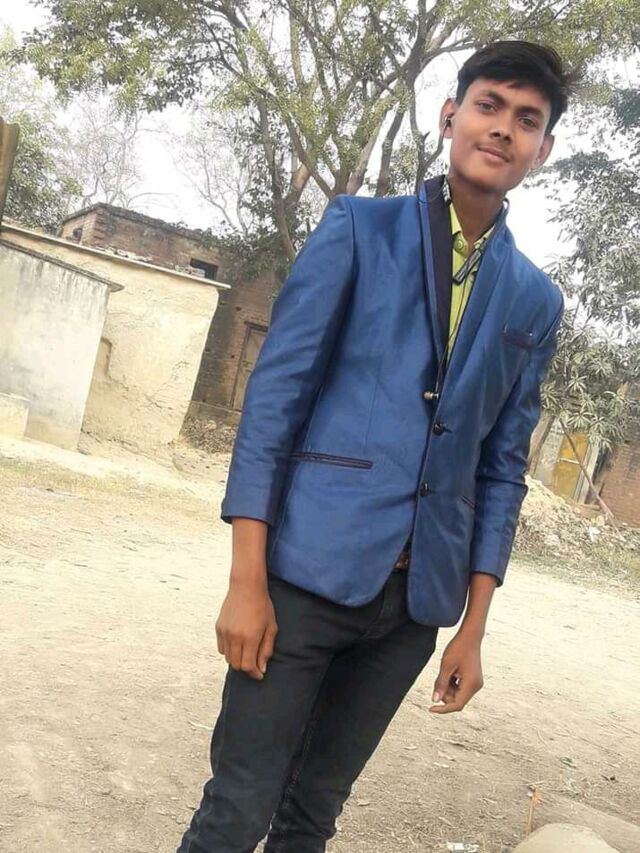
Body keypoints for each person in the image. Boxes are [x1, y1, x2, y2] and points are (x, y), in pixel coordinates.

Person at [178, 40, 575, 853]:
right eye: (489, 105)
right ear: (451, 115)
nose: (503, 128)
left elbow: (503, 469)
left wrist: (473, 625)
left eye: (527, 119)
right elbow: (275, 403)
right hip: (303, 579)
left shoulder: (535, 299)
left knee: (312, 816)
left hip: (413, 609)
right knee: (237, 811)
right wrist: (246, 580)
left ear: (542, 149)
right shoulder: (359, 229)